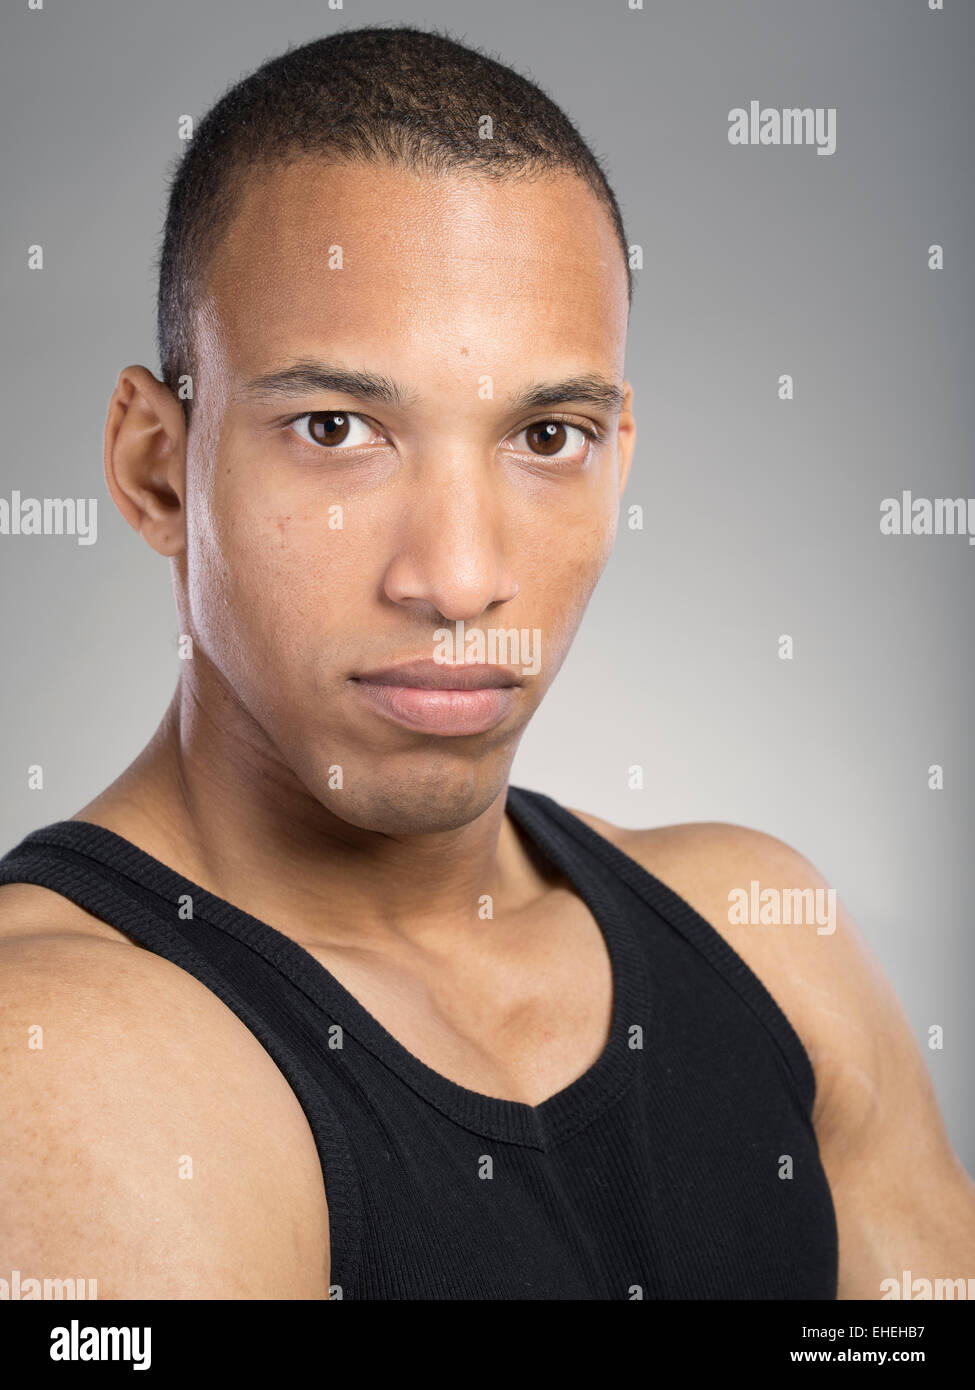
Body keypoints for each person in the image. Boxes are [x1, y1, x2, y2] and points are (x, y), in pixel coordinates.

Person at [1, 25, 972, 1301]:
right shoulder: (58, 1058)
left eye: (548, 435)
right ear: (155, 467)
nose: (458, 580)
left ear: (619, 457)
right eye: (337, 429)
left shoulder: (767, 938)